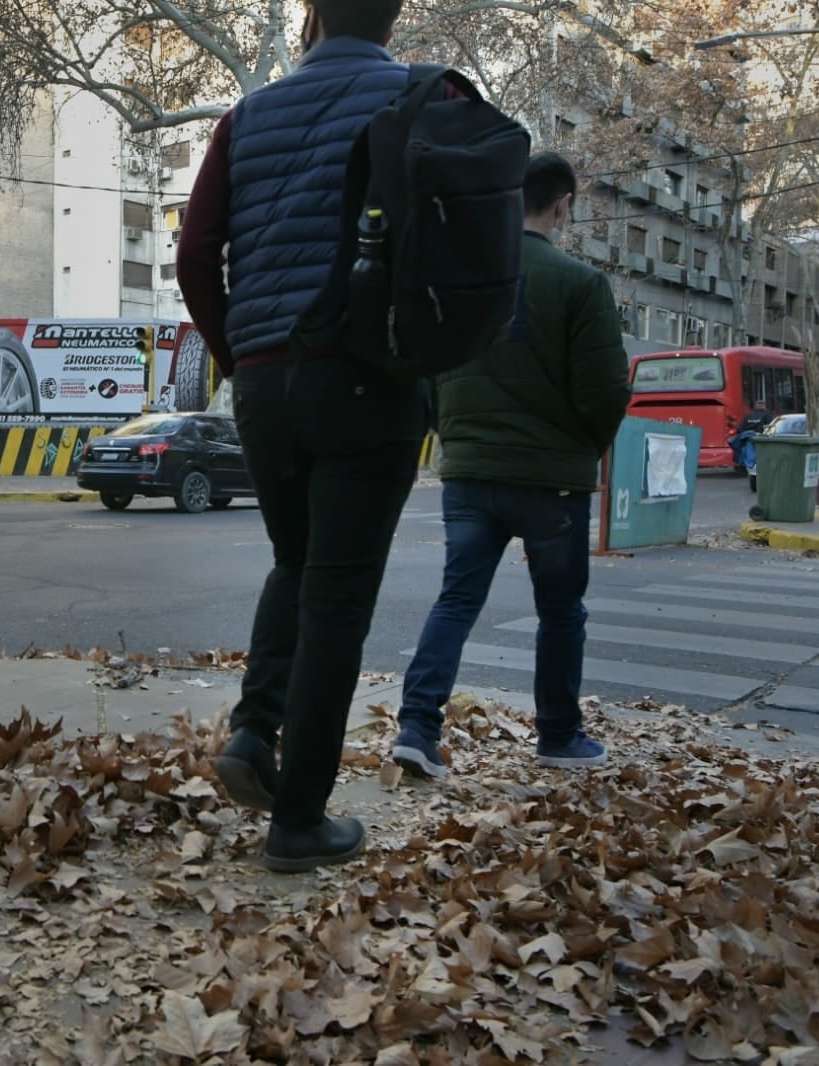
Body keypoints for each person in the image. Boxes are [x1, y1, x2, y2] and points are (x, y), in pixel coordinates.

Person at [177, 0, 434, 871]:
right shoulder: (418, 101)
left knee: (294, 561)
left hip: (263, 380)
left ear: (313, 15)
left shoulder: (245, 116)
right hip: (368, 379)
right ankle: (299, 819)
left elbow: (194, 251)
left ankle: (253, 734)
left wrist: (239, 353)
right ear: (392, 18)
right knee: (338, 591)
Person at [389, 152, 631, 781]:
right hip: (553, 481)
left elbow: (428, 369)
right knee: (560, 611)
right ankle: (557, 735)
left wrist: (457, 436)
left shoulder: (463, 280)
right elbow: (606, 390)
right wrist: (583, 448)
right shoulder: (580, 284)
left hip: (470, 474)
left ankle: (417, 726)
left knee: (457, 598)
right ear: (563, 204)